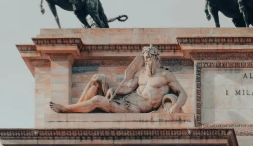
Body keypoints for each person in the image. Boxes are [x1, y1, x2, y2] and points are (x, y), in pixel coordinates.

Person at [50, 45, 187, 114]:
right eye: (146, 60)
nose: (148, 63)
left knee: (98, 100)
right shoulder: (141, 73)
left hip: (133, 108)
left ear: (157, 59)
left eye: (150, 59)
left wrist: (176, 106)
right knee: (97, 78)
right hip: (126, 98)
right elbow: (127, 88)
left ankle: (66, 109)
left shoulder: (165, 75)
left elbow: (183, 93)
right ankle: (78, 113)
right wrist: (113, 89)